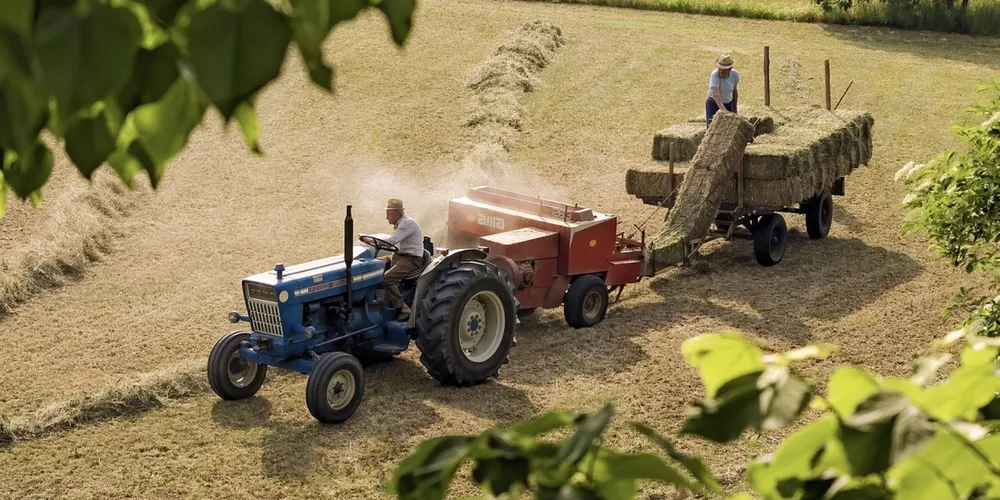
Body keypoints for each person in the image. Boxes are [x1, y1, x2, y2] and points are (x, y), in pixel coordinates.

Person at [377, 198, 424, 320]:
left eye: (388, 214)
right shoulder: (400, 223)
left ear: (397, 213)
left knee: (387, 279)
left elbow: (392, 241)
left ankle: (403, 307)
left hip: (411, 260)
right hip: (399, 256)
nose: (386, 217)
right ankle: (378, 298)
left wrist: (373, 241)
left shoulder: (407, 223)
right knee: (374, 266)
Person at [706, 54, 739, 127]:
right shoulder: (715, 75)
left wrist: (735, 109)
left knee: (730, 127)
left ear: (730, 69)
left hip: (729, 104)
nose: (720, 71)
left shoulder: (735, 75)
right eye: (719, 68)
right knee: (712, 127)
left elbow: (734, 92)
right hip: (714, 104)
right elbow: (716, 94)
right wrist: (724, 111)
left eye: (723, 70)